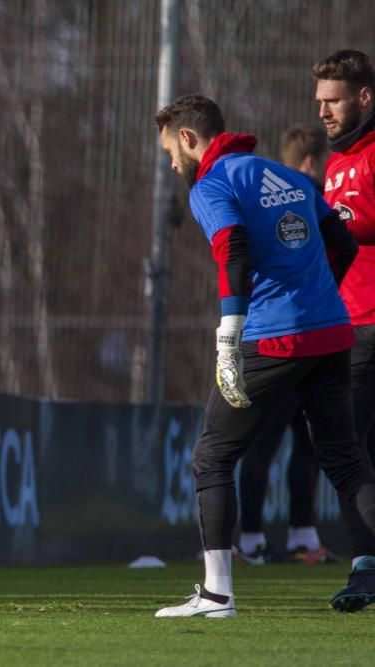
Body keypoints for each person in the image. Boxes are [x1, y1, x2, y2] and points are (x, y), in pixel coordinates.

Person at [151, 94, 375, 618]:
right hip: (332, 332)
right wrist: (318, 299)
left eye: (169, 152)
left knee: (212, 456)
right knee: (345, 459)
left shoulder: (212, 183)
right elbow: (340, 243)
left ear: (189, 138)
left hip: (272, 337)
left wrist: (229, 333)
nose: (171, 164)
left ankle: (216, 595)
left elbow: (232, 248)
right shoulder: (286, 175)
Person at [235, 123, 334, 565]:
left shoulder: (261, 199)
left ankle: (253, 540)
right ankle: (300, 536)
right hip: (313, 332)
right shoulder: (313, 198)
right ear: (312, 163)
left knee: (262, 441)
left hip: (270, 333)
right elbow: (341, 251)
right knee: (309, 443)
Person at [314, 49, 375, 612]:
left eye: (333, 101)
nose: (324, 113)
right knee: (348, 448)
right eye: (319, 103)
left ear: (364, 97)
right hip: (350, 326)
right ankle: (365, 564)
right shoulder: (336, 162)